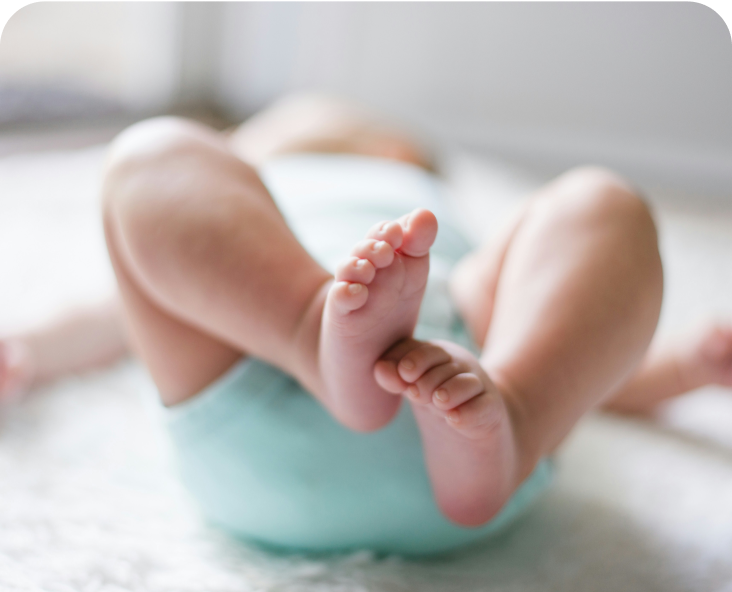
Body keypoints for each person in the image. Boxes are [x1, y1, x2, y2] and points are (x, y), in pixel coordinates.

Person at [1, 94, 731, 555]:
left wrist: (681, 368)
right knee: (157, 157)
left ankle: (507, 406)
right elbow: (112, 317)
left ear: (393, 154)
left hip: (314, 439)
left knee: (592, 210)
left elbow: (581, 356)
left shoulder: (430, 207)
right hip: (298, 371)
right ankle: (311, 329)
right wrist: (24, 348)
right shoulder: (239, 208)